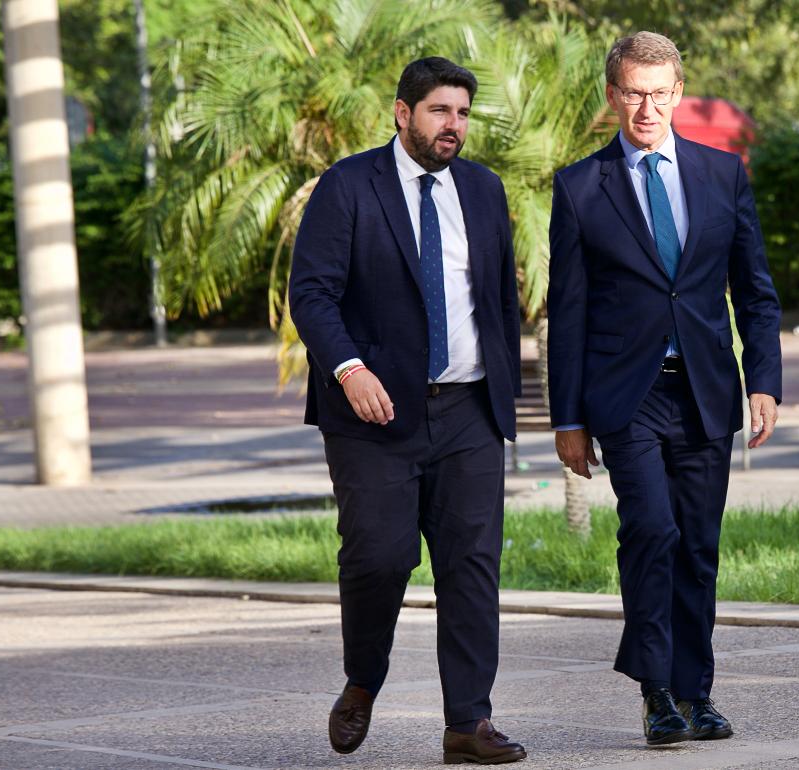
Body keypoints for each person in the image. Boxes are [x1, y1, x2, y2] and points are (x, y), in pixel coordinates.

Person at [547, 31, 782, 746]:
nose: (646, 106)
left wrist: (764, 380)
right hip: (628, 395)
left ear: (678, 93)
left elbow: (757, 292)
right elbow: (570, 310)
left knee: (698, 547)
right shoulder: (582, 187)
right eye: (632, 92)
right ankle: (655, 693)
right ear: (613, 95)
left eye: (659, 92)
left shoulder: (723, 174)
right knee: (651, 530)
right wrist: (568, 418)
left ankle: (696, 691)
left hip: (707, 390)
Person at [289, 56, 526, 765]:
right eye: (439, 112)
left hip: (468, 412)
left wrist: (507, 390)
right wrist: (349, 368)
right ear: (403, 113)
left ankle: (467, 722)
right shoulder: (348, 186)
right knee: (379, 558)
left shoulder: (483, 190)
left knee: (472, 565)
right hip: (374, 416)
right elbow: (313, 294)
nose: (453, 126)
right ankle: (363, 681)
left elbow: (499, 301)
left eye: (461, 113)